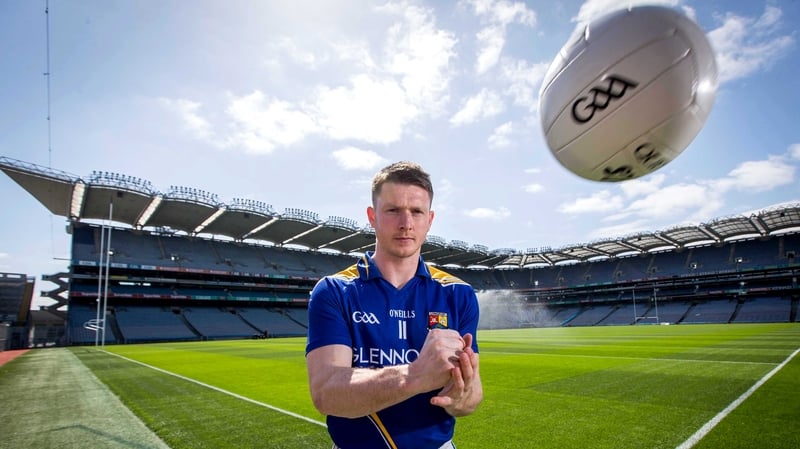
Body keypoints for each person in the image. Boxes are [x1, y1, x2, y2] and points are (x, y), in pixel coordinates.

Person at [306, 161, 483, 449]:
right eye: (393, 211)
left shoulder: (458, 294)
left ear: (430, 219)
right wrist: (414, 376)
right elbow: (326, 393)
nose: (406, 224)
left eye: (416, 211)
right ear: (372, 216)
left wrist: (462, 399)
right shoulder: (335, 291)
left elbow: (473, 394)